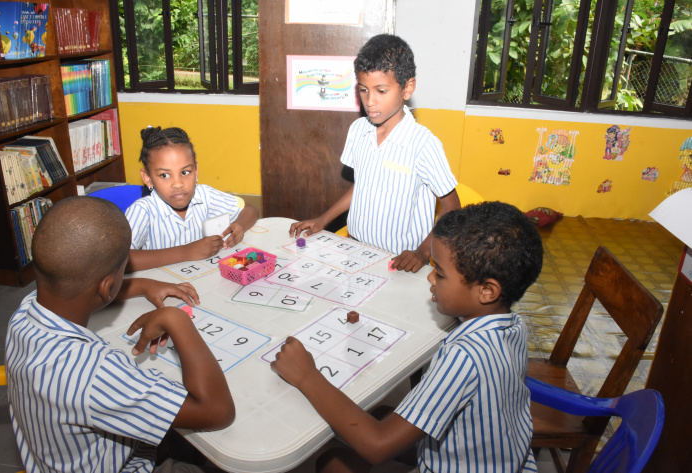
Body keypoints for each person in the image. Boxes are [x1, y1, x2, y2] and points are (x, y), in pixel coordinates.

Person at [273, 201, 543, 472]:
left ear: (487, 291)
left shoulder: (464, 355)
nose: (431, 279)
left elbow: (378, 446)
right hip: (505, 460)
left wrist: (307, 375)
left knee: (332, 464)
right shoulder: (513, 325)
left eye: (440, 273)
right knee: (379, 414)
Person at [6, 196, 235, 472]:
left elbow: (78, 288)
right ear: (108, 285)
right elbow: (218, 411)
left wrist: (141, 284)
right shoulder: (95, 372)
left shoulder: (25, 311)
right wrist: (176, 319)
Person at [289, 34, 461, 273]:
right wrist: (322, 219)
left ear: (407, 88)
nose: (370, 101)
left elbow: (452, 206)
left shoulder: (423, 144)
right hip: (356, 249)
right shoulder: (358, 130)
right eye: (363, 90)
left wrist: (422, 252)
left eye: (381, 91)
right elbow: (362, 185)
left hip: (402, 261)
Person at [125, 126, 259, 271]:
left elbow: (250, 210)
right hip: (161, 289)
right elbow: (120, 261)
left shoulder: (205, 195)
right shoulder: (142, 211)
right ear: (147, 178)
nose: (178, 184)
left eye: (185, 172)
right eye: (164, 175)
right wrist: (185, 252)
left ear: (196, 171)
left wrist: (239, 226)